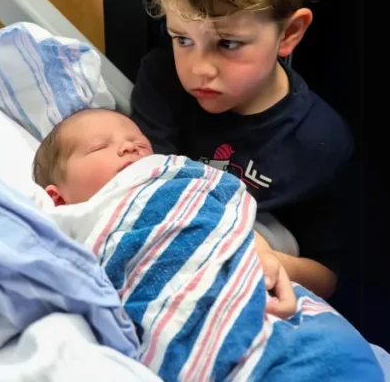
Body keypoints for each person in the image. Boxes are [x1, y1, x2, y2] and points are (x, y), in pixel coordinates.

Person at [130, 0, 352, 298]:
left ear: (289, 34)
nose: (199, 69)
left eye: (227, 44)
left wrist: (264, 258)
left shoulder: (321, 141)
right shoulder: (160, 79)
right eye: (182, 38)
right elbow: (147, 192)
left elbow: (327, 277)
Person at [32, 108, 298, 317]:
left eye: (139, 142)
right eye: (100, 146)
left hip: (251, 280)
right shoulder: (65, 229)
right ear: (59, 198)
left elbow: (231, 214)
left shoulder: (178, 178)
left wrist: (262, 253)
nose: (130, 147)